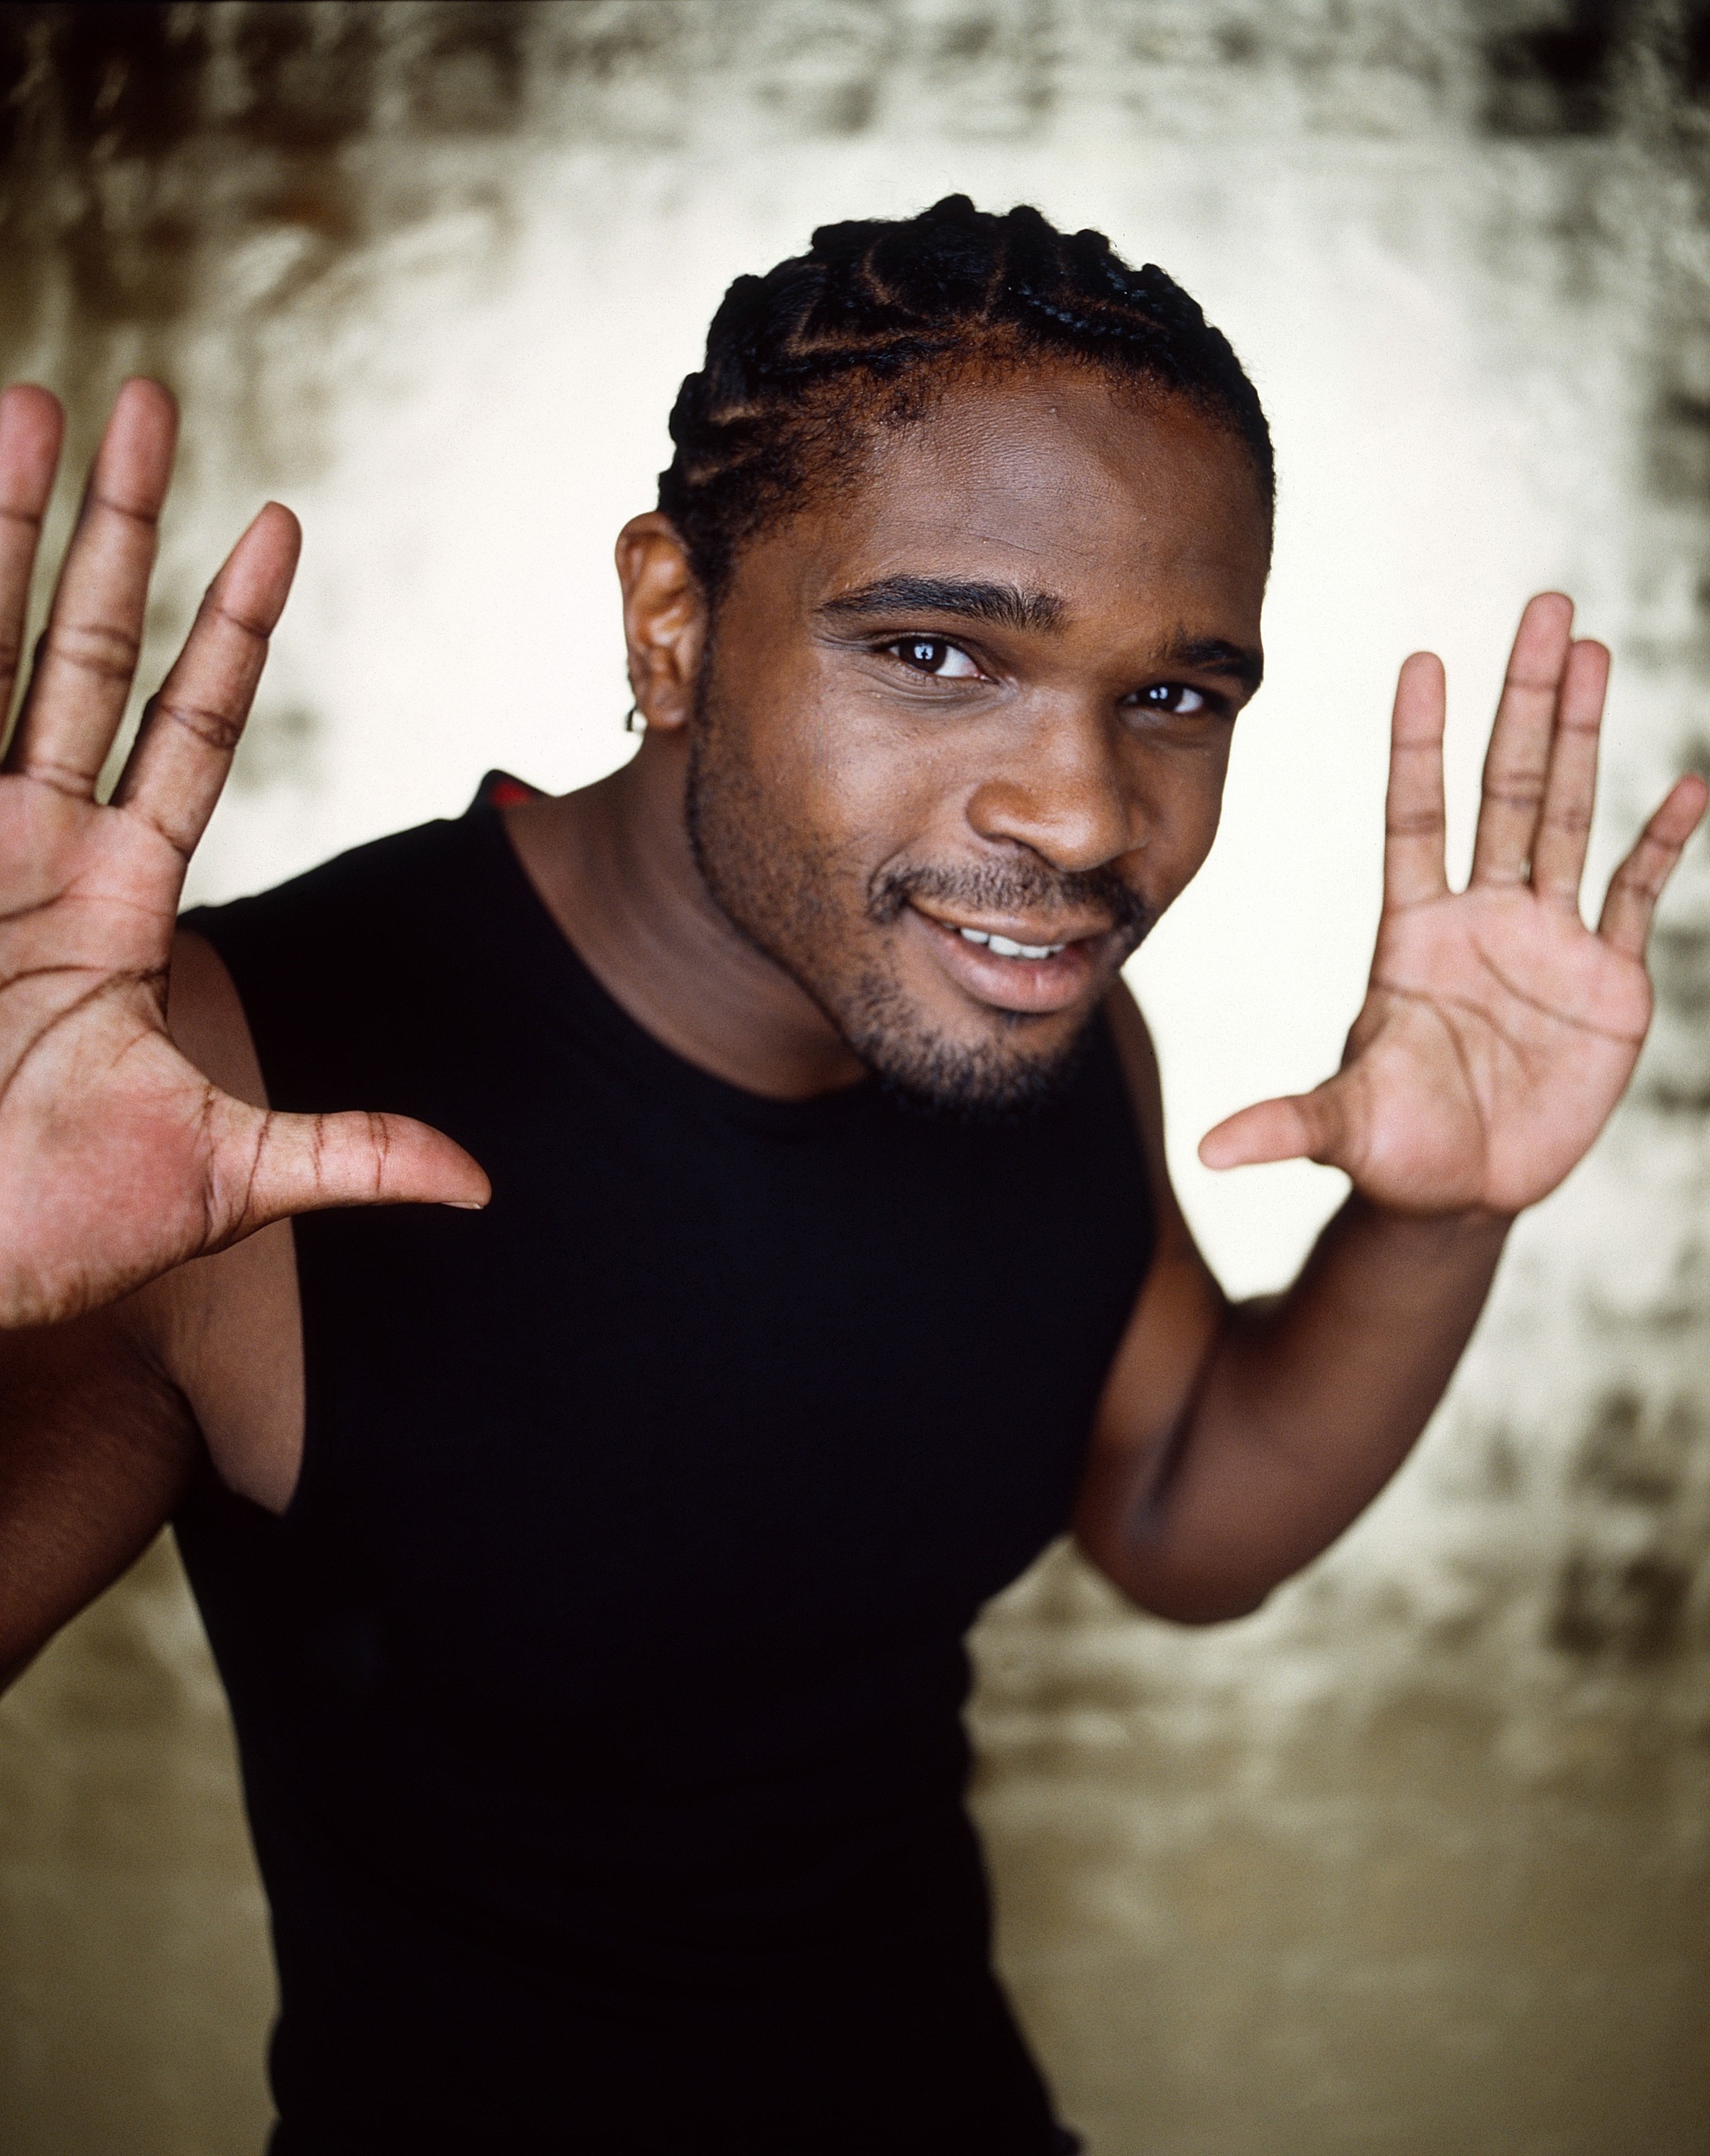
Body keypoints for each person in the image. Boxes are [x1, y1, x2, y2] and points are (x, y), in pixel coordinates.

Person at [0, 197, 1698, 2156]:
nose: (1076, 814)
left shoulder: (1025, 1022)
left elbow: (1175, 1513)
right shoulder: (212, 1081)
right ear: (672, 622)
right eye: (934, 651)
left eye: (1173, 697)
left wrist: (1441, 1208)